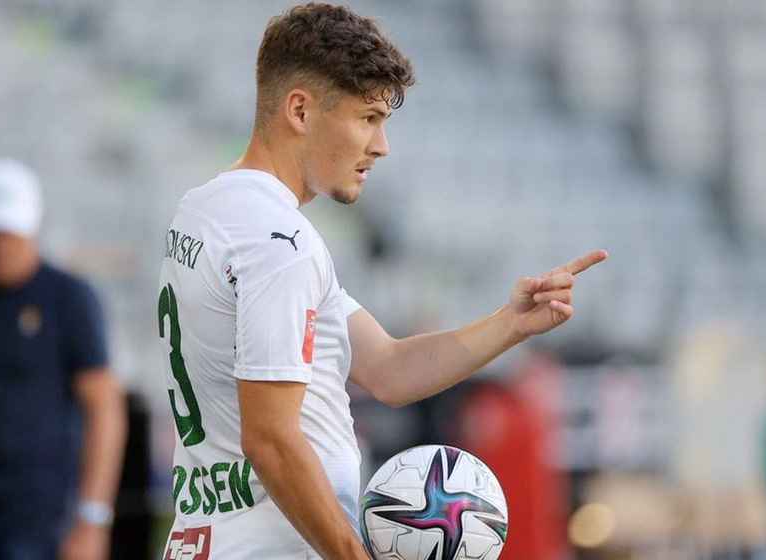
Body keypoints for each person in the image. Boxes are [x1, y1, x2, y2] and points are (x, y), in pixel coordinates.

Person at [157, 3, 607, 559]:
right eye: (367, 118)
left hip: (203, 538)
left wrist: (510, 324)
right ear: (300, 109)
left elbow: (387, 369)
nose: (381, 145)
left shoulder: (205, 210)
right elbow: (271, 441)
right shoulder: (281, 245)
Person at [0, 158, 128, 560]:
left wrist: (92, 517)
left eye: (10, 232)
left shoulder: (68, 298)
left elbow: (104, 409)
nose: (1, 245)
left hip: (41, 518)